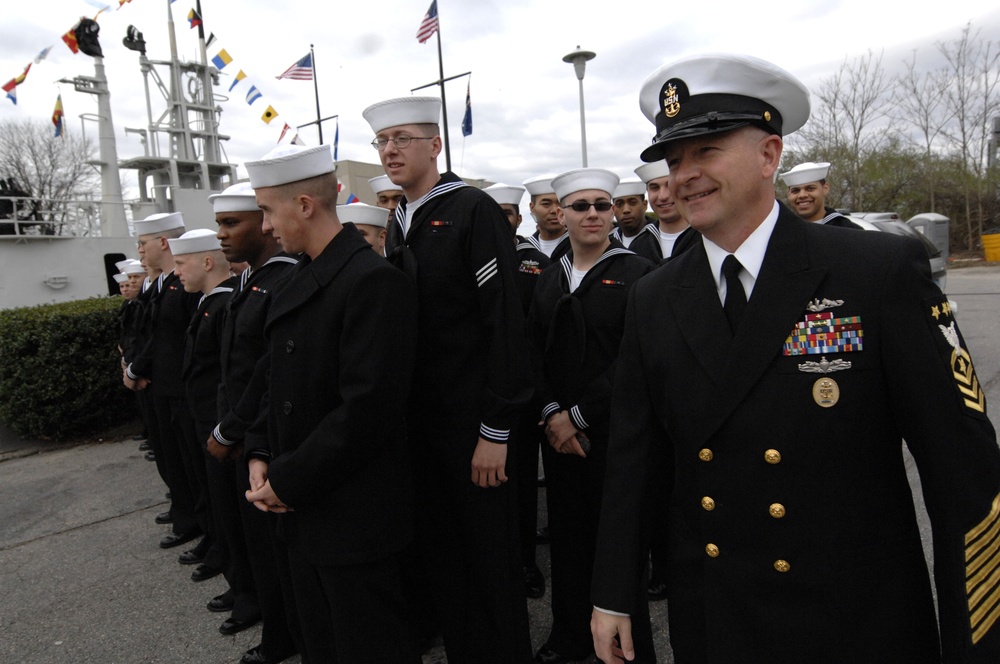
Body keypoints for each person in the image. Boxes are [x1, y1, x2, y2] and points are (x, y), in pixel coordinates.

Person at [590, 52, 1000, 664]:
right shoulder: (654, 298)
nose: (684, 176)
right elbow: (634, 460)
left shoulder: (875, 271)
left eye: (706, 151)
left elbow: (961, 469)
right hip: (717, 615)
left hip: (857, 619)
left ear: (769, 155)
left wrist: (977, 642)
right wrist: (613, 594)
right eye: (674, 161)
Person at [363, 96, 532, 663]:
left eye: (402, 138)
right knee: (444, 558)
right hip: (422, 426)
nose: (390, 150)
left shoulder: (470, 209)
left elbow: (505, 322)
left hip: (471, 423)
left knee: (490, 562)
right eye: (382, 141)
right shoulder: (399, 219)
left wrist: (496, 428)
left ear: (435, 145)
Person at [242, 143, 419, 663]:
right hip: (300, 508)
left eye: (268, 211)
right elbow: (274, 376)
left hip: (353, 517)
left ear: (303, 205)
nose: (266, 227)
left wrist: (288, 481)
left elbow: (367, 409)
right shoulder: (298, 275)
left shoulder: (373, 282)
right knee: (320, 643)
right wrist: (258, 450)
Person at [529, 168, 655, 664]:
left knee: (617, 548)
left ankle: (625, 650)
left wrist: (576, 416)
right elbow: (532, 351)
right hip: (557, 436)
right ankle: (570, 638)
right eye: (581, 206)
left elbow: (635, 360)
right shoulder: (550, 275)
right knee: (567, 541)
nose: (595, 214)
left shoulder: (637, 273)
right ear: (561, 213)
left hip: (610, 435)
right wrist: (550, 412)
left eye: (603, 205)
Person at [207, 181, 301, 664]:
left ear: (264, 226)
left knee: (275, 552)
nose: (221, 234)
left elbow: (270, 376)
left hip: (263, 440)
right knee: (259, 549)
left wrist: (238, 430)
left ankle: (284, 639)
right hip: (246, 438)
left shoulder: (282, 280)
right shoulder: (252, 280)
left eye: (232, 222)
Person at [124, 212, 203, 551]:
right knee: (176, 461)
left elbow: (178, 340)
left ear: (163, 242)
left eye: (143, 243)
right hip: (164, 387)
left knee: (193, 467)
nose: (140, 251)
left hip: (182, 390)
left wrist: (135, 368)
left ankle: (200, 525)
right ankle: (189, 516)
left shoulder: (181, 286)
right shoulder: (165, 285)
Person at [485, 181, 548, 600]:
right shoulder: (476, 255)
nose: (503, 218)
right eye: (496, 211)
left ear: (519, 218)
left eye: (509, 211)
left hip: (520, 394)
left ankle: (525, 562)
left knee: (521, 485)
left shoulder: (531, 260)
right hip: (484, 390)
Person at [634, 159, 698, 261]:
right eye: (654, 188)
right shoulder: (637, 246)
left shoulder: (707, 237)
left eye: (669, 185)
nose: (663, 196)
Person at [779, 161, 862, 228]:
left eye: (810, 188)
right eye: (795, 190)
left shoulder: (849, 231)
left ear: (825, 188)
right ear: (789, 194)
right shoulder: (780, 231)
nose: (802, 195)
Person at [610, 177, 660, 262]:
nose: (626, 210)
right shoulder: (609, 242)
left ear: (644, 205)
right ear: (613, 209)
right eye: (619, 204)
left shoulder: (660, 236)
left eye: (632, 203)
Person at [523, 174, 570, 260]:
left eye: (560, 203)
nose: (555, 210)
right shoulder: (524, 251)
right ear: (532, 207)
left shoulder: (580, 247)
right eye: (546, 204)